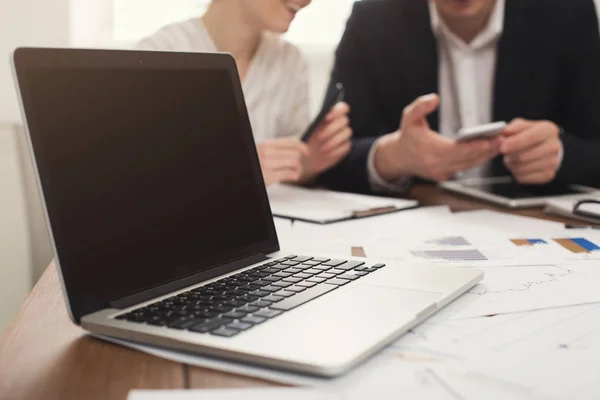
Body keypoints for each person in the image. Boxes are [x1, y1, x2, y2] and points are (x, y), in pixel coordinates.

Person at [316, 0, 600, 194]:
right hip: (418, 222)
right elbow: (324, 158)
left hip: (533, 222)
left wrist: (560, 155)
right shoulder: (374, 19)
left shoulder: (565, 11)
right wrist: (392, 157)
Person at [135, 0, 352, 187]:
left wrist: (309, 161)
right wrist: (234, 170)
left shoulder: (289, 62)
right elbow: (140, 177)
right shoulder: (156, 57)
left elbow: (286, 177)